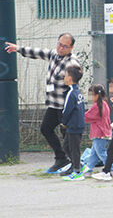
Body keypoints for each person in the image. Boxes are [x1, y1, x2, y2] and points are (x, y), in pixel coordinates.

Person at [5, 33, 81, 173]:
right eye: (59, 44)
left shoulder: (72, 63)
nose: (60, 48)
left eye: (65, 46)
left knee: (68, 136)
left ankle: (75, 165)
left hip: (65, 107)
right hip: (53, 104)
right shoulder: (54, 54)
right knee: (46, 129)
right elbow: (38, 52)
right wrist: (17, 48)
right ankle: (61, 158)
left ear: (71, 47)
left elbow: (76, 78)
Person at [83, 84, 113, 177]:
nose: (91, 97)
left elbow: (87, 116)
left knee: (100, 153)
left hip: (100, 133)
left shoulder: (97, 106)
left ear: (97, 95)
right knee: (94, 153)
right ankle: (88, 169)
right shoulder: (105, 104)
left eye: (92, 95)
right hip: (104, 132)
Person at [60, 65, 85, 181]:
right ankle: (77, 164)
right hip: (77, 124)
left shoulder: (71, 92)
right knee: (66, 146)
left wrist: (63, 123)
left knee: (74, 148)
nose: (64, 78)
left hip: (73, 125)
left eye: (65, 75)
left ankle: (77, 171)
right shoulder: (78, 91)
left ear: (69, 78)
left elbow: (66, 110)